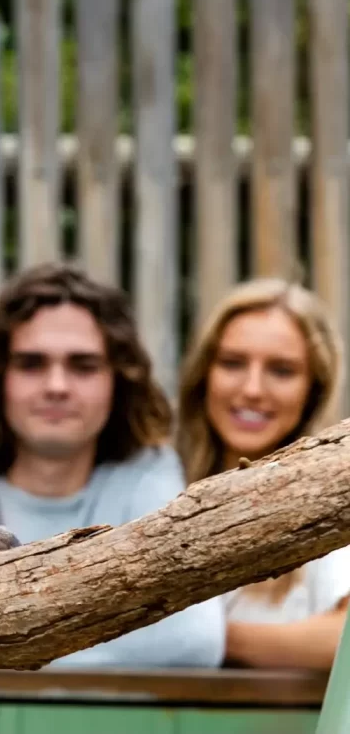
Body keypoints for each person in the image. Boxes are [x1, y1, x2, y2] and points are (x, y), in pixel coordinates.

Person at [0, 261, 225, 668]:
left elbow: (193, 640)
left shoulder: (147, 469)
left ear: (118, 379)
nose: (57, 386)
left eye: (83, 366)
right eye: (32, 364)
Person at [176, 277, 350, 669]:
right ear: (205, 373)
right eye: (233, 363)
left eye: (282, 370)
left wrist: (200, 636)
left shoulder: (335, 498)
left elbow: (344, 638)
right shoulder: (156, 483)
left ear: (314, 388)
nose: (253, 389)